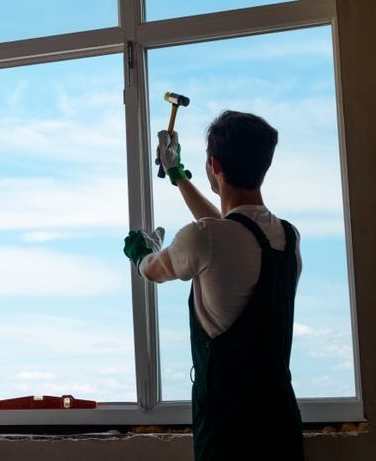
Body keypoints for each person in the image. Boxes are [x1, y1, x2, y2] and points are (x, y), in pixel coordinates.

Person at [123, 110, 303, 461]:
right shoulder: (287, 236)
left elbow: (152, 270)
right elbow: (231, 229)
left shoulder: (207, 237)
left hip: (230, 434)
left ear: (213, 165)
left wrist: (142, 250)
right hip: (281, 425)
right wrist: (178, 177)